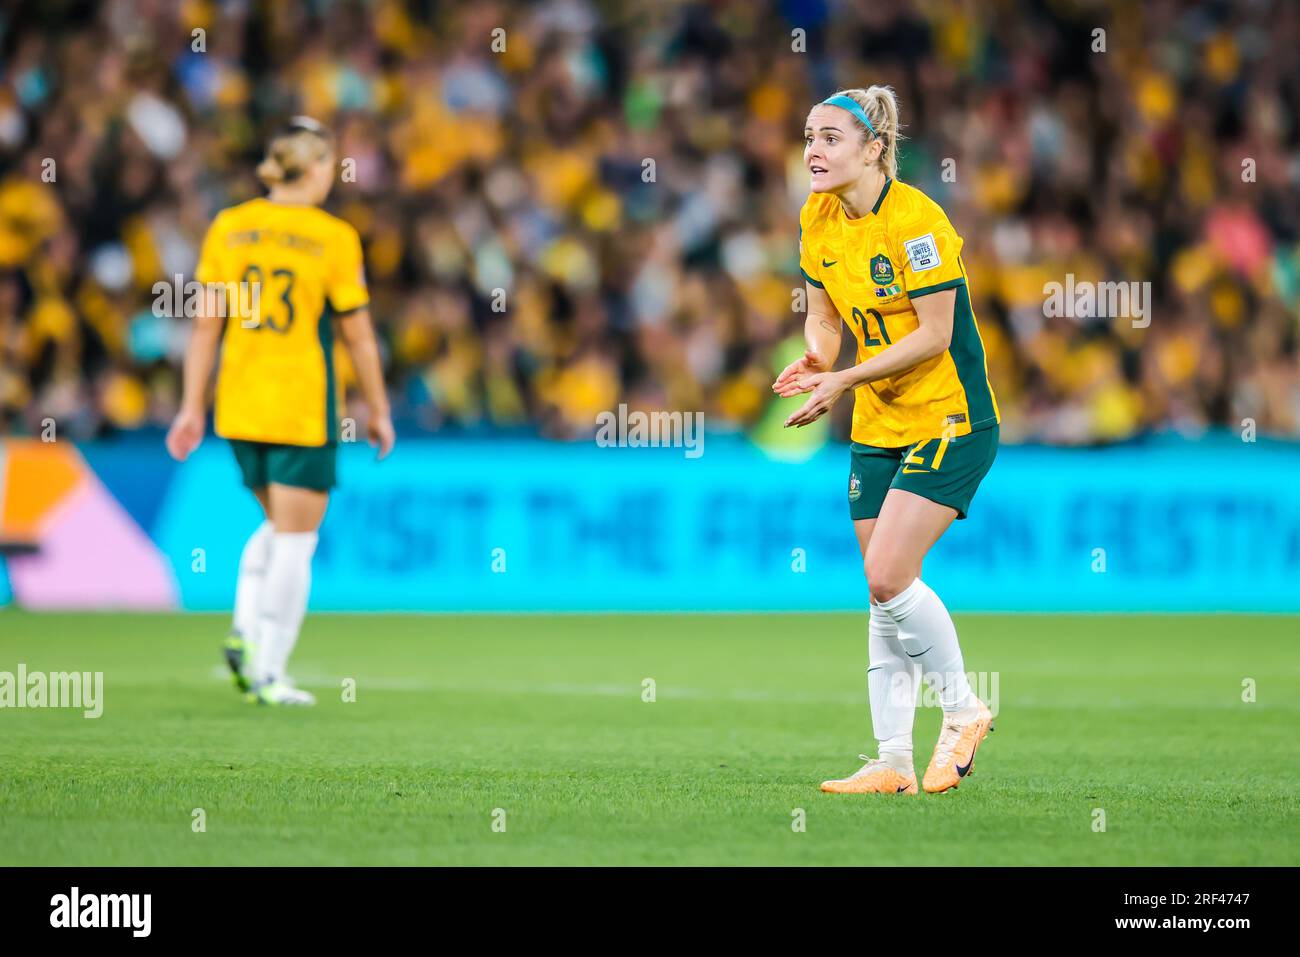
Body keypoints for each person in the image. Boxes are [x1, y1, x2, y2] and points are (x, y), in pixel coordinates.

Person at [774, 87, 999, 794]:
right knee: (882, 594)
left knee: (886, 575)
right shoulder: (818, 216)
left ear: (875, 149)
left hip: (949, 417)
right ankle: (893, 761)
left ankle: (963, 711)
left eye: (832, 138)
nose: (814, 150)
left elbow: (934, 335)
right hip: (878, 420)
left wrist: (842, 380)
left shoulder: (919, 221)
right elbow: (824, 318)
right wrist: (818, 357)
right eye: (809, 135)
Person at [165, 117, 394, 706]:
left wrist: (191, 406)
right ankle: (268, 671)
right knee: (297, 540)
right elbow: (359, 336)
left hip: (239, 406)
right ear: (316, 167)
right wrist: (379, 408)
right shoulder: (333, 237)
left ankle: (244, 631)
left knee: (277, 526)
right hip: (300, 407)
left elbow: (204, 328)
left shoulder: (232, 227)